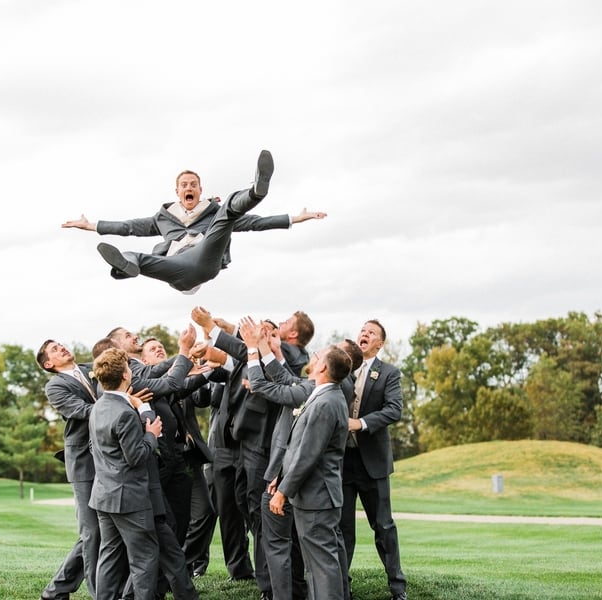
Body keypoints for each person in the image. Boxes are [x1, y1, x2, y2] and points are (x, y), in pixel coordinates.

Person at [62, 150, 326, 293]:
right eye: (184, 185)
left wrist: (294, 218)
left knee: (228, 210)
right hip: (174, 266)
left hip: (205, 258)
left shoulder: (212, 212)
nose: (189, 188)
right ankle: (128, 268)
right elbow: (128, 227)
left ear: (200, 189)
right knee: (131, 254)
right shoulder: (162, 218)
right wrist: (92, 225)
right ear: (177, 191)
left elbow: (255, 223)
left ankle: (256, 191)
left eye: (193, 185)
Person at [269, 345, 352, 600]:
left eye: (317, 357)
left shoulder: (326, 402)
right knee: (317, 567)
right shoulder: (324, 395)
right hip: (315, 495)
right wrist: (280, 477)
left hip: (317, 496)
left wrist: (283, 492)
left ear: (323, 367)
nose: (313, 358)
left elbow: (308, 454)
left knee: (321, 567)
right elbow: (299, 446)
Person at [88, 347, 164, 600]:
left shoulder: (97, 407)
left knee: (108, 556)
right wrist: (151, 435)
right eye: (129, 367)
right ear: (125, 376)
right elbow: (137, 457)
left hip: (102, 495)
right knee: (144, 557)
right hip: (128, 498)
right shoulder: (124, 414)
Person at [340, 320, 408, 600]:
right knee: (342, 531)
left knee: (383, 527)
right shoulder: (341, 368)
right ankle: (341, 587)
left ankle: (397, 588)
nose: (364, 334)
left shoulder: (389, 373)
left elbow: (394, 410)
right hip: (342, 463)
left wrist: (361, 423)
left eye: (372, 333)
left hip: (374, 464)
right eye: (363, 331)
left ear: (380, 343)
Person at [36, 340, 101, 600]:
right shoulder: (55, 386)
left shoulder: (92, 368)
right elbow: (81, 410)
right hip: (84, 462)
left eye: (61, 344)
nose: (61, 347)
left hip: (111, 458)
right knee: (92, 531)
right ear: (48, 364)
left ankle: (56, 591)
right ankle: (101, 594)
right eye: (54, 349)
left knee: (99, 531)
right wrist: (121, 405)